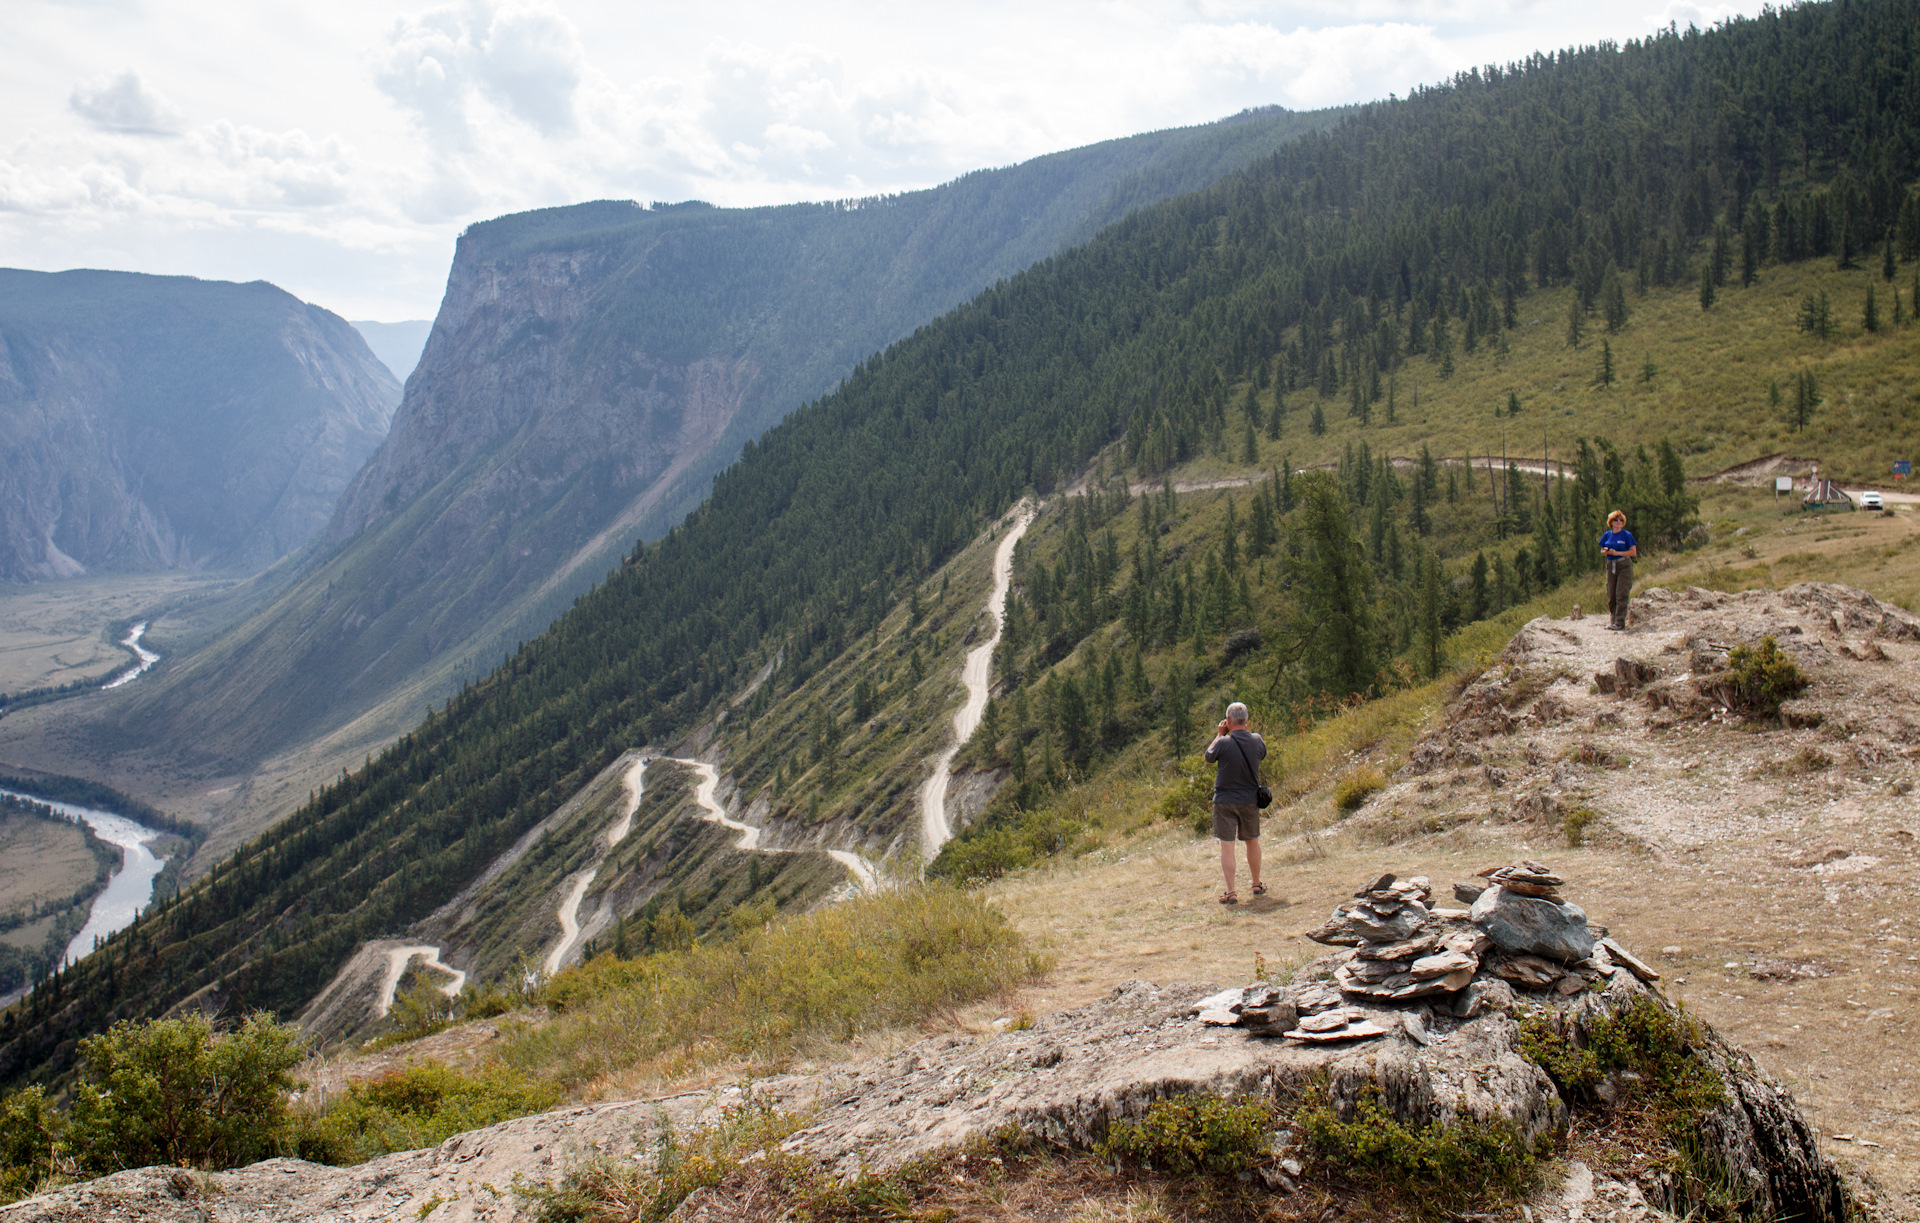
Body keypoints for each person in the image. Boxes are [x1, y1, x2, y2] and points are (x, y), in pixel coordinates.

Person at [1204, 701, 1266, 904]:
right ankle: (1256, 883)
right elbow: (1261, 755)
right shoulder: (1257, 740)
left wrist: (1220, 734)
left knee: (1227, 847)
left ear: (1228, 720)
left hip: (1225, 802)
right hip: (1249, 800)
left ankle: (1231, 892)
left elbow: (1208, 756)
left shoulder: (1223, 742)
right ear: (1247, 721)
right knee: (1252, 841)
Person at [1599, 510, 1637, 631]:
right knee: (1611, 594)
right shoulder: (1607, 535)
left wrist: (1618, 553)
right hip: (1611, 565)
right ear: (1611, 522)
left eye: (1621, 520)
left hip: (1623, 564)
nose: (1618, 522)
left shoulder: (1626, 535)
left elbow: (1633, 552)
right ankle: (1613, 620)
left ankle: (1620, 622)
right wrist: (1606, 552)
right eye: (1616, 520)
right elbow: (1602, 549)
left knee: (1621, 593)